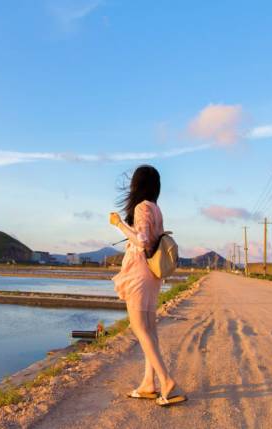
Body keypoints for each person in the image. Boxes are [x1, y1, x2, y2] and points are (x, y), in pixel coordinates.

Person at [109, 165, 186, 407]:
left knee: (140, 328)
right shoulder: (155, 208)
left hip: (140, 273)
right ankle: (148, 383)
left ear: (137, 185)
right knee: (149, 330)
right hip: (151, 275)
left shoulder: (142, 208)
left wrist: (118, 224)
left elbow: (141, 241)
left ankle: (167, 382)